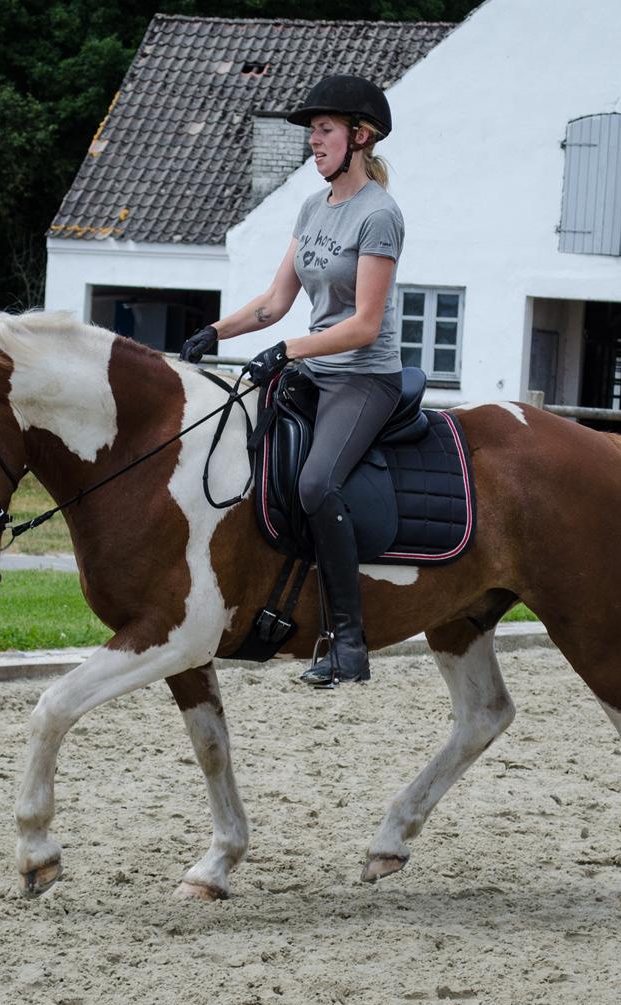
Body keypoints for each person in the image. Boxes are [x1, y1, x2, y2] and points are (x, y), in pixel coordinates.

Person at [179, 74, 404, 686]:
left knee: (315, 484)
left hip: (362, 379)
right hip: (310, 368)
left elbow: (363, 325)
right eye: (312, 132)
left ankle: (349, 643)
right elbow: (277, 301)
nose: (314, 141)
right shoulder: (314, 206)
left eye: (324, 130)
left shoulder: (379, 215)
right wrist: (216, 333)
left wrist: (288, 350)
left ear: (360, 137)